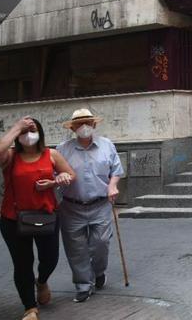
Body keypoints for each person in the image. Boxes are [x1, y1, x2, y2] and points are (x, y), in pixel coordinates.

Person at [0, 117, 76, 320]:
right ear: (18, 136)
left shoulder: (51, 154)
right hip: (13, 218)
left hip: (46, 215)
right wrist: (16, 127)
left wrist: (56, 182)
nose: (28, 134)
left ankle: (42, 281)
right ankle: (30, 307)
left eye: (32, 130)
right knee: (22, 263)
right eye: (24, 131)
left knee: (50, 258)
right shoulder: (10, 156)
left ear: (40, 133)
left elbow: (71, 175)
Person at [56, 109, 125, 303]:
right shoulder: (62, 149)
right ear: (73, 128)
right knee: (76, 249)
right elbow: (54, 173)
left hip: (101, 205)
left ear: (94, 125)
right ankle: (83, 285)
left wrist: (112, 186)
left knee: (101, 243)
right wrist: (59, 177)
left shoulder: (107, 146)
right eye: (79, 124)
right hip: (71, 207)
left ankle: (98, 272)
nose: (84, 127)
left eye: (87, 122)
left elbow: (116, 170)